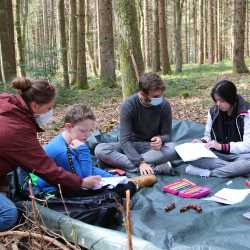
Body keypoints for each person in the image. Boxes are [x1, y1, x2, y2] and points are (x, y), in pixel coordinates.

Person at [0, 77, 101, 231]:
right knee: (8, 215)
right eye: (48, 108)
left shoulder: (8, 103)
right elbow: (46, 169)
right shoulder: (16, 130)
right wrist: (81, 183)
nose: (51, 113)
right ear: (34, 105)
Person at [31, 104, 156, 197]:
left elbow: (88, 168)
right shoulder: (63, 151)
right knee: (118, 192)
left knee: (119, 182)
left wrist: (113, 178)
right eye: (82, 131)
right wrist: (83, 150)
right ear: (68, 127)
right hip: (51, 191)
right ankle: (133, 185)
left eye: (90, 130)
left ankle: (128, 182)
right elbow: (86, 179)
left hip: (73, 179)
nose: (87, 135)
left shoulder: (70, 140)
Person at [95, 73, 178, 176]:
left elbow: (167, 135)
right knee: (100, 149)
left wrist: (160, 139)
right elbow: (124, 140)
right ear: (142, 94)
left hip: (150, 148)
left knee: (174, 148)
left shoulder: (164, 105)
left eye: (161, 95)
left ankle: (117, 164)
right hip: (130, 146)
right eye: (155, 96)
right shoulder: (129, 105)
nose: (160, 98)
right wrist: (140, 163)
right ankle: (156, 169)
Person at [185, 80, 250, 178]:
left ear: (231, 98)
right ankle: (235, 170)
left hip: (240, 155)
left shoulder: (246, 112)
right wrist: (201, 142)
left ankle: (209, 173)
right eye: (216, 100)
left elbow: (248, 145)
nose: (218, 104)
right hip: (217, 155)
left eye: (222, 100)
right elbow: (208, 136)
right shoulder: (213, 112)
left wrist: (221, 146)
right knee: (191, 157)